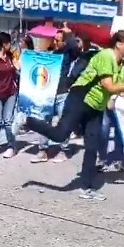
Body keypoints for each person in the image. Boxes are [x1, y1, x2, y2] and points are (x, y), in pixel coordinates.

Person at [15, 31, 124, 201]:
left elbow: (120, 92)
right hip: (80, 98)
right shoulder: (105, 56)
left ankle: (87, 187)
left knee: (92, 146)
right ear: (118, 43)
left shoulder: (123, 66)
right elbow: (109, 86)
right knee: (60, 134)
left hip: (96, 107)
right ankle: (27, 121)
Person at [31, 28, 80, 163]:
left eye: (58, 40)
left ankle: (64, 150)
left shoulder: (69, 54)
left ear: (65, 42)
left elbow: (74, 48)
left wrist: (69, 33)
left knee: (63, 122)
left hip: (62, 93)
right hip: (48, 93)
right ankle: (43, 150)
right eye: (54, 39)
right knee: (44, 121)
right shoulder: (51, 54)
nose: (55, 42)